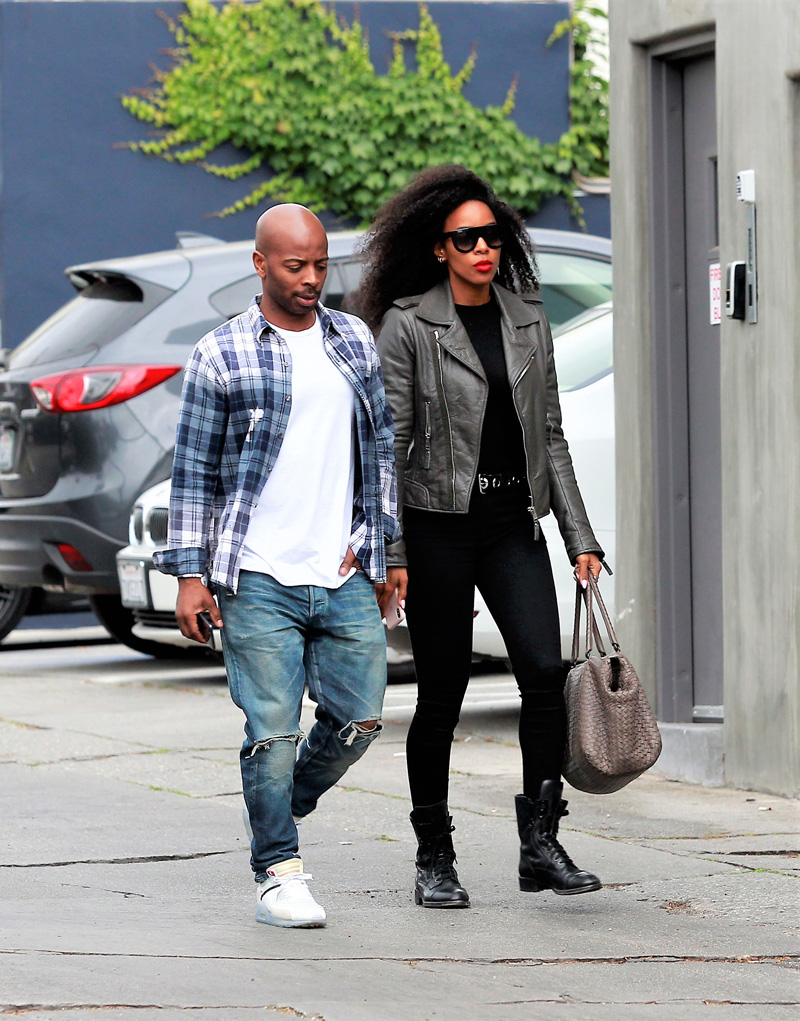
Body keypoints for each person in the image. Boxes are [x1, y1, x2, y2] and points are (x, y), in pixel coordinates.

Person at [356, 164, 606, 908]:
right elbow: (388, 446)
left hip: (511, 524)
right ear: (438, 247)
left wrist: (580, 537)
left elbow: (550, 435)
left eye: (491, 236)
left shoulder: (528, 319)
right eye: (465, 239)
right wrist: (392, 552)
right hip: (437, 528)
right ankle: (434, 855)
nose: (482, 249)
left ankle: (540, 844)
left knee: (544, 674)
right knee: (442, 694)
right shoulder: (408, 324)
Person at [154, 204, 400, 929]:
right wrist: (190, 576)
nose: (311, 278)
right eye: (296, 265)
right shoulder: (221, 352)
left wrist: (383, 545)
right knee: (271, 730)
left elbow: (381, 449)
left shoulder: (352, 338)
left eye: (320, 264)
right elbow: (193, 472)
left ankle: (276, 802)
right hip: (256, 573)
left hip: (341, 567)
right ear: (260, 264)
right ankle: (278, 872)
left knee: (359, 718)